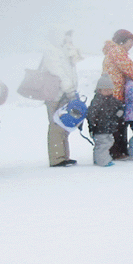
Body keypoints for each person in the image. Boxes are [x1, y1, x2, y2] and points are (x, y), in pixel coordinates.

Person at [39, 29, 83, 167]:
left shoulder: (63, 52)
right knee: (56, 125)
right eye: (66, 37)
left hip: (64, 93)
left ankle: (63, 156)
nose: (68, 40)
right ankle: (57, 158)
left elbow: (69, 73)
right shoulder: (52, 52)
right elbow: (59, 74)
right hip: (55, 94)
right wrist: (70, 89)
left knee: (63, 125)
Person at [87, 72, 123, 168]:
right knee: (103, 144)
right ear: (99, 90)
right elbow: (91, 114)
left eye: (110, 90)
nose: (108, 92)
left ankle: (98, 159)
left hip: (109, 127)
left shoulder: (112, 100)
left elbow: (120, 105)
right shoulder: (97, 101)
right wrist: (93, 125)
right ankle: (102, 161)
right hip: (100, 128)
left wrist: (120, 110)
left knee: (108, 142)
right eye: (106, 90)